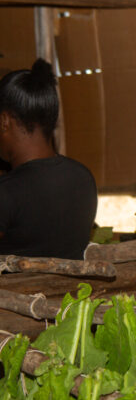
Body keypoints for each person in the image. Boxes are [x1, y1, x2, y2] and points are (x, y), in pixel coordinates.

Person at [0, 59, 97, 260]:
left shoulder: (7, 192)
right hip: (74, 291)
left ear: (4, 121)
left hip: (16, 291)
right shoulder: (83, 177)